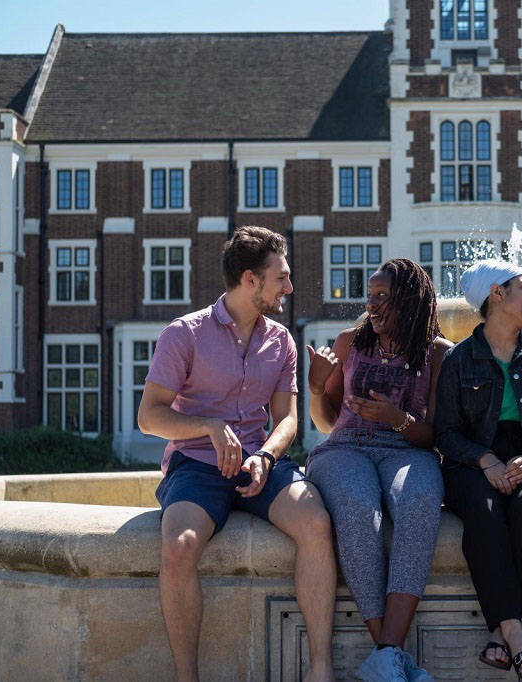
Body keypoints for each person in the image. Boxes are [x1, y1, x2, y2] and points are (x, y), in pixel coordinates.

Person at [138, 226, 336, 682]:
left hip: (261, 465)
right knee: (178, 545)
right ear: (250, 280)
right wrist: (209, 427)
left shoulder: (282, 341)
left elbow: (287, 419)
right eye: (281, 277)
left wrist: (266, 456)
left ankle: (320, 669)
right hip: (197, 467)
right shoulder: (183, 334)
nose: (289, 287)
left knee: (317, 523)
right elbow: (149, 416)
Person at [305, 258, 451, 682]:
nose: (373, 303)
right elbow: (328, 421)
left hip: (407, 450)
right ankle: (391, 657)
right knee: (355, 507)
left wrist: (394, 418)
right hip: (345, 449)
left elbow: (434, 435)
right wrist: (316, 389)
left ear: (411, 298)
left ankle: (386, 657)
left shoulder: (439, 353)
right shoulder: (350, 342)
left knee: (422, 500)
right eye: (370, 295)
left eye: (383, 295)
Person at [434, 259, 522, 679]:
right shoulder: (459, 359)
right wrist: (485, 460)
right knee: (485, 512)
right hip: (473, 462)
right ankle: (516, 631)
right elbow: (446, 433)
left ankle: (504, 630)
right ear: (497, 295)